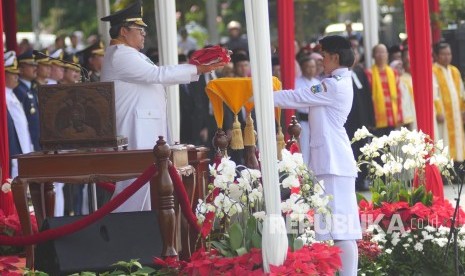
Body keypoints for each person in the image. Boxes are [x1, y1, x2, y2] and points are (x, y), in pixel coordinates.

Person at [100, 0, 225, 212]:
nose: (143, 34)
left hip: (144, 126)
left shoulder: (130, 54)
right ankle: (122, 232)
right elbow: (157, 75)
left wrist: (195, 69)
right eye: (139, 30)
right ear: (123, 31)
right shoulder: (120, 54)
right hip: (135, 128)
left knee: (145, 189)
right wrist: (197, 70)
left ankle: (140, 233)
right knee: (134, 187)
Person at [272, 35, 362, 276]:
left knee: (343, 230)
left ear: (335, 57)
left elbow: (297, 96)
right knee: (328, 229)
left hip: (335, 164)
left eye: (324, 56)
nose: (321, 61)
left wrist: (263, 97)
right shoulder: (334, 82)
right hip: (328, 162)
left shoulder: (333, 85)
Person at [432, 42, 465, 175]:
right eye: (443, 54)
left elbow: (461, 92)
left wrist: (463, 110)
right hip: (444, 116)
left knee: (459, 141)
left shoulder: (454, 71)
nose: (447, 57)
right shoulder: (433, 70)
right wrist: (439, 111)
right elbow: (435, 94)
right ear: (436, 55)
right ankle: (446, 173)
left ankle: (459, 169)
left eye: (449, 54)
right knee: (444, 141)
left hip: (456, 114)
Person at [344, 46, 375, 191]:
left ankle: (362, 180)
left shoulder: (360, 72)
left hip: (362, 120)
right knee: (350, 150)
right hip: (348, 121)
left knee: (363, 150)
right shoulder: (340, 76)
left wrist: (371, 120)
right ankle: (352, 181)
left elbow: (368, 97)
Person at [4, 51, 34, 178]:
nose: (16, 76)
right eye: (12, 73)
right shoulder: (4, 97)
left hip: (23, 152)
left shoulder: (12, 94)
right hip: (15, 154)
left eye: (17, 73)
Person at [294, 56, 320, 167]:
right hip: (303, 121)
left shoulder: (318, 83)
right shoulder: (296, 83)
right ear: (302, 68)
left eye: (313, 67)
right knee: (304, 148)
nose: (311, 69)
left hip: (317, 121)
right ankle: (304, 176)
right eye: (308, 67)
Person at [13, 50, 40, 151]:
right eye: (31, 65)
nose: (35, 68)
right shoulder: (18, 90)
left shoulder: (31, 88)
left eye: (36, 65)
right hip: (28, 145)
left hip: (36, 143)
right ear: (21, 69)